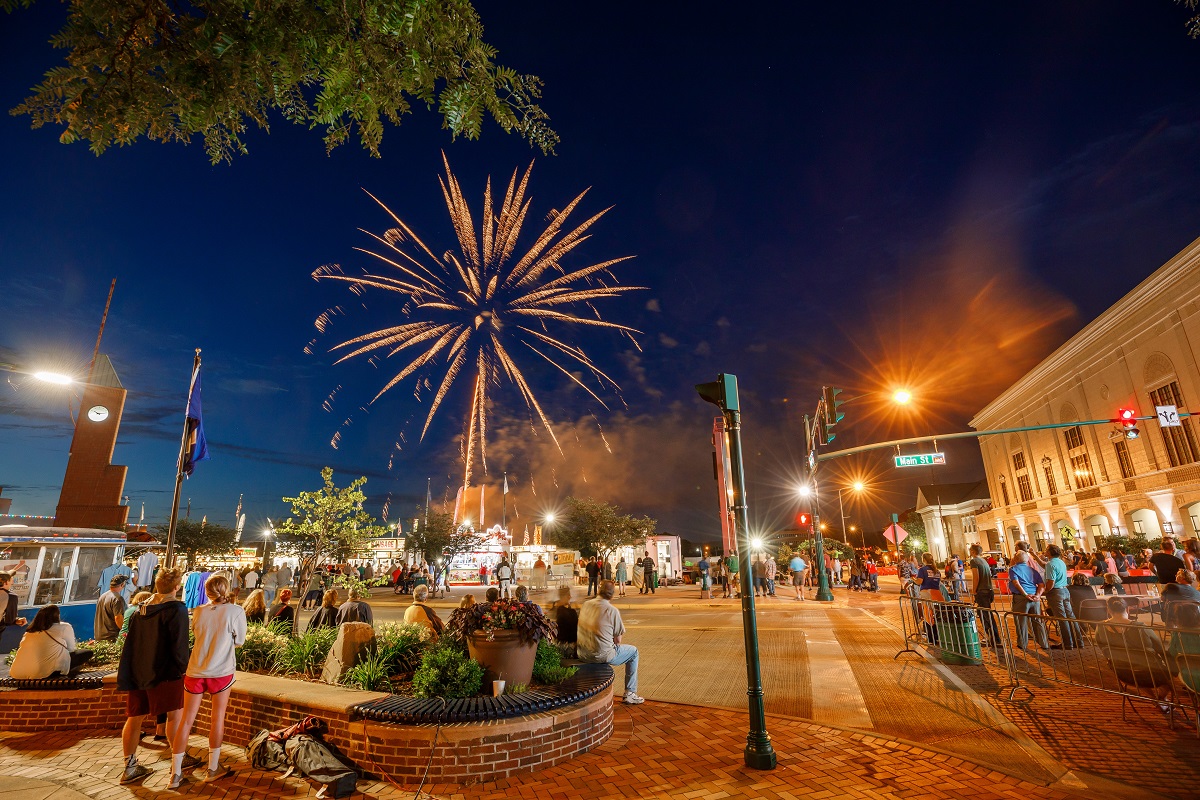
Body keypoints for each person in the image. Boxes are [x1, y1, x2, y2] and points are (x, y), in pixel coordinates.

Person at [116, 567, 195, 785]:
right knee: (174, 717)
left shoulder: (141, 609)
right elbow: (179, 646)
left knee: (134, 718)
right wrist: (184, 668)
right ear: (177, 587)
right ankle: (178, 760)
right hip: (167, 671)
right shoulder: (176, 609)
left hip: (138, 669)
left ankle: (130, 766)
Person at [171, 574, 246, 787]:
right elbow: (239, 640)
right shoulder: (236, 611)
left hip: (196, 670)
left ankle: (175, 774)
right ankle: (213, 768)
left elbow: (196, 633)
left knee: (186, 720)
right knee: (217, 717)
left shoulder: (198, 611)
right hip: (221, 671)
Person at [577, 580, 643, 704]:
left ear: (599, 590)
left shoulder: (586, 605)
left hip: (582, 653)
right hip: (602, 654)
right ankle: (630, 693)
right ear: (612, 595)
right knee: (633, 652)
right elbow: (618, 640)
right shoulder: (612, 611)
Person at [9, 605, 93, 679]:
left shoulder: (29, 632)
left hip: (17, 673)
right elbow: (71, 649)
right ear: (57, 616)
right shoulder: (64, 627)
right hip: (43, 673)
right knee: (87, 653)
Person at [1009, 554, 1051, 651]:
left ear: (1015, 559)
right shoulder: (1033, 570)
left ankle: (1023, 643)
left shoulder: (1013, 569)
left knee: (1021, 621)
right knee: (1037, 621)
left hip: (1021, 597)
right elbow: (1041, 584)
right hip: (1034, 596)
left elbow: (1016, 583)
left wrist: (1025, 594)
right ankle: (1044, 643)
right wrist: (1038, 595)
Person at [1043, 544, 1080, 649]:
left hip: (1056, 592)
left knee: (1061, 618)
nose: (1045, 551)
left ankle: (1067, 643)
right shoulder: (1061, 562)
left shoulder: (1050, 564)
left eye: (1046, 550)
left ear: (1050, 552)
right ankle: (1078, 641)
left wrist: (1045, 591)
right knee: (1070, 616)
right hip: (1065, 590)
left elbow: (1051, 582)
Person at [968, 544, 1001, 647]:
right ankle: (993, 637)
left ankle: (993, 638)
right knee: (985, 613)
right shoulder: (984, 561)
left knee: (985, 615)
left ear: (973, 551)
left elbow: (976, 577)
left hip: (982, 591)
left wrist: (974, 591)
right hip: (989, 589)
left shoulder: (974, 561)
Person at [95, 574, 129, 642]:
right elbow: (118, 618)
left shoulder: (103, 596)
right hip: (111, 637)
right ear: (122, 584)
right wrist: (125, 633)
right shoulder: (117, 599)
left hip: (99, 636)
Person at [0, 571, 29, 641]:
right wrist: (16, 620)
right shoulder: (11, 596)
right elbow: (9, 620)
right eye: (11, 580)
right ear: (6, 582)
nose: (12, 582)